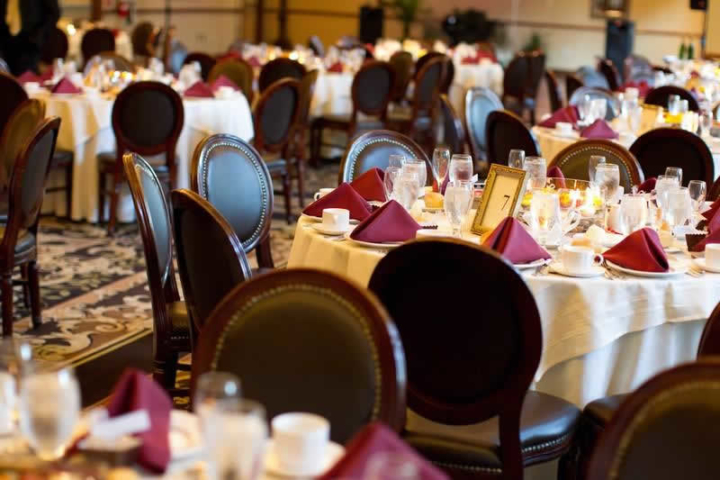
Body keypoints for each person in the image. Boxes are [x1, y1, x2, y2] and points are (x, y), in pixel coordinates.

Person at [0, 0, 60, 75]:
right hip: (5, 42)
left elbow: (53, 13)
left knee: (27, 80)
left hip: (29, 43)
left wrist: (37, 37)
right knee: (6, 82)